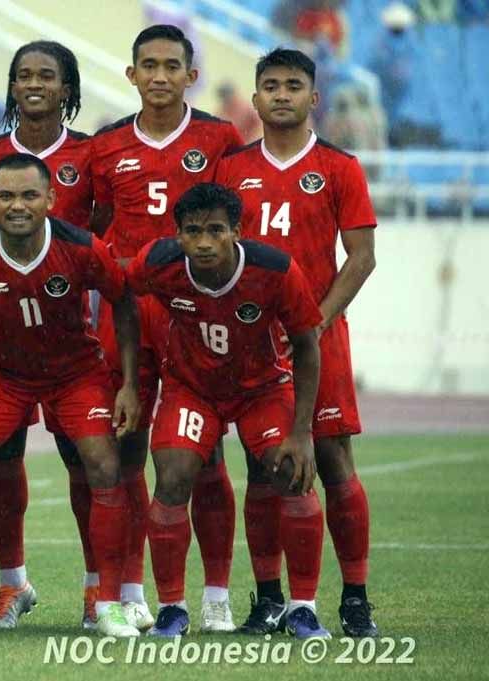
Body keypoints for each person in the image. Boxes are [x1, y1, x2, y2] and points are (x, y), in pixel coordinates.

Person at [0, 153, 141, 637]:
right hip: (4, 372)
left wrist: (127, 382)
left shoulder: (83, 247)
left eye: (28, 195)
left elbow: (124, 303)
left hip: (76, 372)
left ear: (50, 199)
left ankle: (106, 602)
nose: (17, 205)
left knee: (103, 464)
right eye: (5, 196)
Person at [215, 47, 379, 638]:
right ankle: (268, 598)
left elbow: (361, 259)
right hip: (251, 345)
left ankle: (355, 598)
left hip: (318, 340)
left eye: (292, 85)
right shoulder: (230, 169)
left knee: (333, 463)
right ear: (255, 98)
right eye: (270, 85)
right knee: (264, 470)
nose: (280, 94)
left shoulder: (340, 167)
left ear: (313, 97)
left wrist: (313, 321)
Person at [87, 24, 246, 633]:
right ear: (131, 75)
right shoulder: (106, 147)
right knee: (123, 449)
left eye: (170, 65)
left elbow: (236, 224)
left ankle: (215, 596)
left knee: (203, 456)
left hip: (196, 316)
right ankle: (130, 591)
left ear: (190, 75)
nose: (158, 75)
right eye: (147, 65)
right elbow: (95, 226)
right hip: (126, 317)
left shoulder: (220, 139)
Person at [125, 182, 328, 639]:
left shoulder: (274, 269)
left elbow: (307, 346)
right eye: (192, 231)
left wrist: (301, 432)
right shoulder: (159, 263)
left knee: (291, 474)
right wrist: (131, 376)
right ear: (177, 234)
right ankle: (172, 609)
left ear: (237, 230)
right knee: (173, 474)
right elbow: (123, 296)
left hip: (261, 390)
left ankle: (302, 608)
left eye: (216, 230)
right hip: (192, 388)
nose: (203, 242)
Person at [0, 40, 96, 629]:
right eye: (23, 76)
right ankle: (13, 585)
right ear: (11, 87)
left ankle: (98, 591)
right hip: (3, 343)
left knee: (85, 461)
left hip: (72, 340)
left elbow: (102, 243)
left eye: (47, 75)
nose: (34, 84)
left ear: (67, 88)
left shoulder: (94, 154)